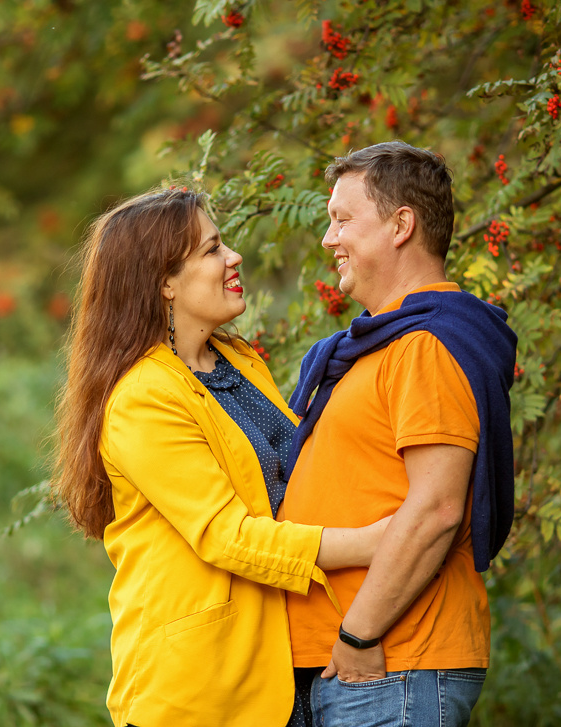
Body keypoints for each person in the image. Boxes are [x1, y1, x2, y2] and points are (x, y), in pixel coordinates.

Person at [51, 188, 388, 727]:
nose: (233, 257)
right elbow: (228, 534)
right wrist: (372, 543)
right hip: (201, 690)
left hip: (283, 664)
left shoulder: (237, 358)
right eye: (211, 250)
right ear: (164, 281)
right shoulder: (144, 398)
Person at [281, 142, 518, 727]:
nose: (328, 239)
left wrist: (359, 635)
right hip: (353, 667)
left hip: (391, 663)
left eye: (342, 220)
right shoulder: (379, 348)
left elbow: (437, 507)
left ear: (400, 225)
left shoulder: (427, 346)